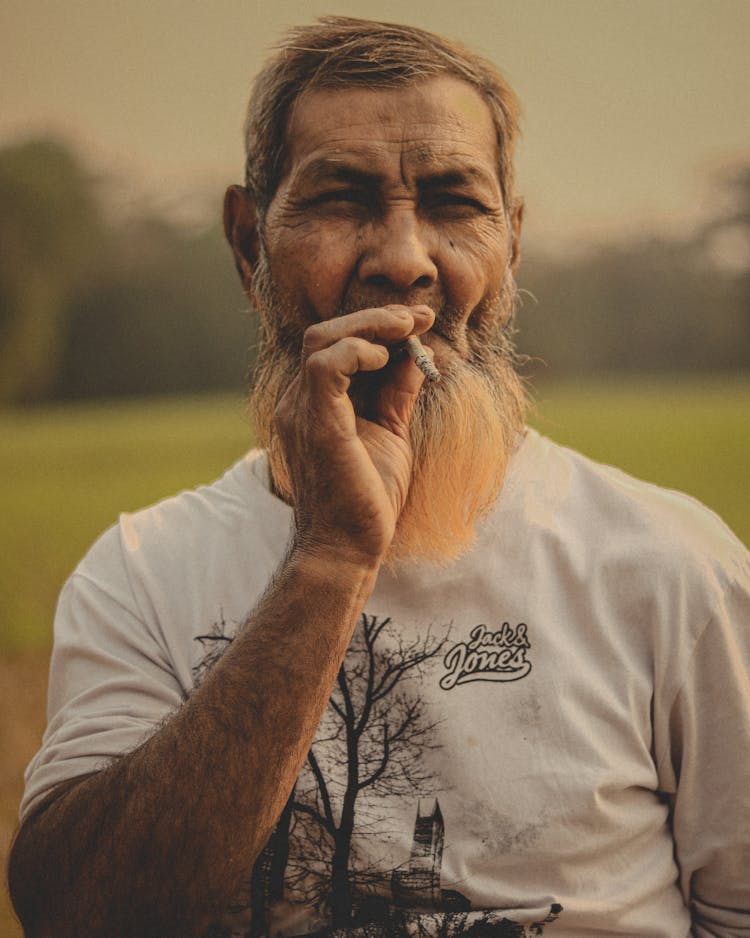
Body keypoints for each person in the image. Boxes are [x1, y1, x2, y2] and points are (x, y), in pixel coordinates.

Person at [8, 16, 750, 938]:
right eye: (342, 198)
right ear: (249, 246)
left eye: (453, 204)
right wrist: (329, 556)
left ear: (510, 246)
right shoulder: (143, 573)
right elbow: (76, 917)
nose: (404, 259)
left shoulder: (675, 569)